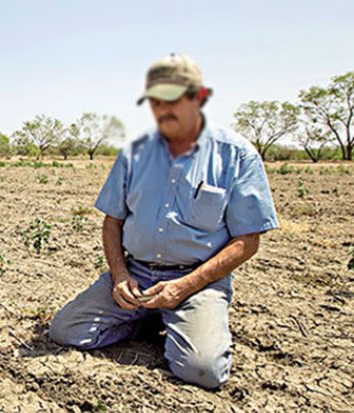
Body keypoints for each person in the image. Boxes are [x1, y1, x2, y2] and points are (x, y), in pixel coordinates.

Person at [49, 53, 279, 389]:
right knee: (66, 330)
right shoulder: (134, 154)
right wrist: (120, 275)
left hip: (196, 282)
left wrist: (183, 287)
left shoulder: (236, 155)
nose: (164, 109)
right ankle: (145, 318)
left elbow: (247, 242)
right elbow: (112, 222)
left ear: (199, 98)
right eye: (156, 101)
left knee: (203, 371)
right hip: (137, 274)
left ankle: (185, 320)